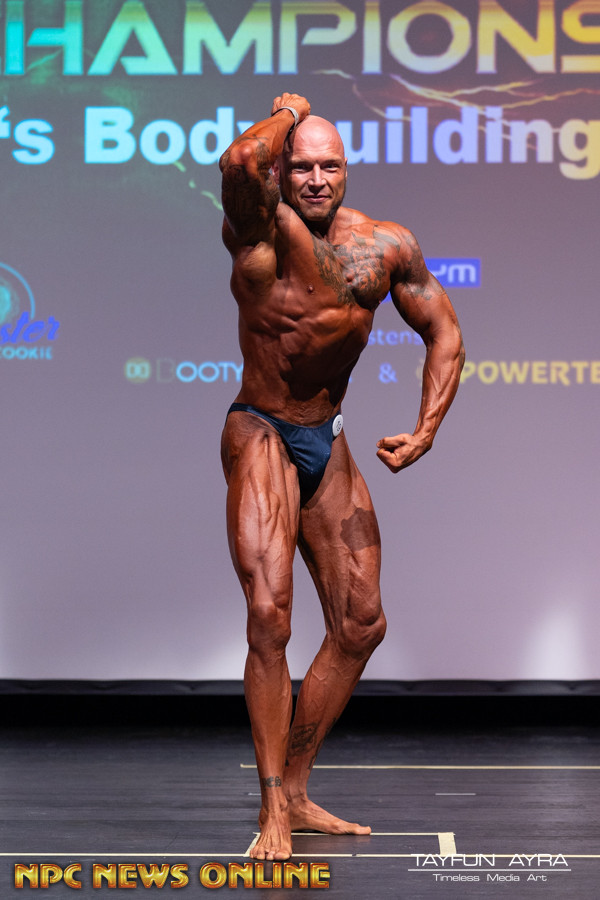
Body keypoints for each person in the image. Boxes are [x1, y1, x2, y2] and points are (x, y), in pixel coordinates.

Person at [219, 93, 464, 861]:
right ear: (282, 172)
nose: (317, 179)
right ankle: (271, 808)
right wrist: (287, 115)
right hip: (262, 431)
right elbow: (240, 160)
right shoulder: (257, 232)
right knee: (271, 618)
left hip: (326, 437)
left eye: (330, 166)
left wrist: (427, 427)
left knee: (361, 624)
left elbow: (444, 331)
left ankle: (297, 789)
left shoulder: (384, 245)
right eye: (302, 167)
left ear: (347, 170)